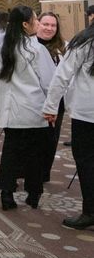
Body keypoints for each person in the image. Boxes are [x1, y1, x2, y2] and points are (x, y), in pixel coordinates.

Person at [0, 6, 55, 211]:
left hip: (11, 110)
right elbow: (48, 82)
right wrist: (52, 107)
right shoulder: (36, 49)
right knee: (34, 155)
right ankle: (33, 194)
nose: (38, 23)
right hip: (33, 110)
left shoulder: (4, 47)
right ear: (25, 24)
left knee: (10, 153)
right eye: (36, 20)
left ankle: (7, 194)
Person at [43, 22, 94, 230]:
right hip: (87, 111)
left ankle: (90, 212)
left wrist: (50, 105)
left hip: (86, 113)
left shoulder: (84, 40)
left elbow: (62, 74)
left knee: (86, 162)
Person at [36, 12, 67, 182]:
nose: (49, 28)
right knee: (32, 139)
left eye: (53, 25)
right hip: (33, 100)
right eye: (45, 24)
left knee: (51, 138)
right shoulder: (29, 45)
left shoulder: (63, 47)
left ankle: (43, 173)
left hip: (56, 101)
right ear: (37, 24)